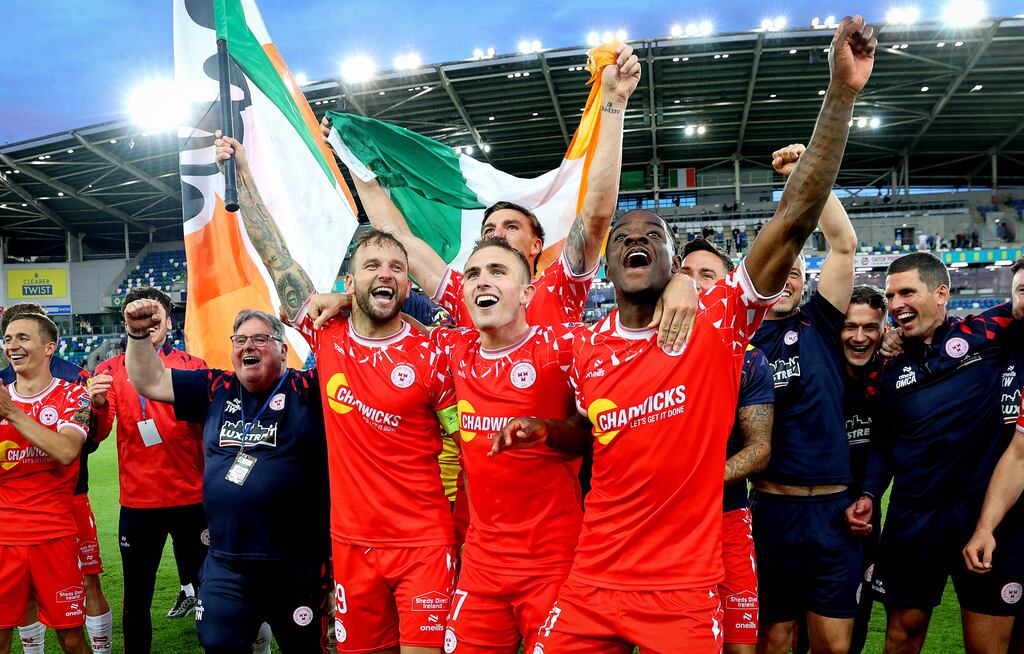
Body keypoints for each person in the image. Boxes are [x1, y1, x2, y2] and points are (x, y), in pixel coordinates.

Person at [494, 16, 877, 651]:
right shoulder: (582, 344)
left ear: (676, 265)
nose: (636, 240)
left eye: (655, 237)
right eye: (625, 238)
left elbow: (793, 219)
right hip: (591, 580)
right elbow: (586, 434)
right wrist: (549, 431)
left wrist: (840, 94)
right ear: (607, 261)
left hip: (682, 586)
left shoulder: (720, 325)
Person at [215, 130, 462, 654]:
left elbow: (465, 445)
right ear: (350, 281)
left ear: (408, 284)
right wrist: (240, 173)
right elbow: (275, 253)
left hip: (423, 541)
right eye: (372, 265)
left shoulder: (434, 352)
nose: (386, 273)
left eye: (396, 266)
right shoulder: (327, 336)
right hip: (351, 546)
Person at [124, 303, 331, 653]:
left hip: (296, 566)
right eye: (240, 339)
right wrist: (138, 336)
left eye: (260, 339)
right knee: (218, 644)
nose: (248, 346)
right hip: (227, 564)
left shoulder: (307, 389)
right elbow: (151, 380)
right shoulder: (216, 386)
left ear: (284, 349)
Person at [847, 252, 1024, 653]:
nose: (896, 305)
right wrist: (870, 494)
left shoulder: (988, 331)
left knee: (987, 645)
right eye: (891, 296)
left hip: (984, 518)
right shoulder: (883, 368)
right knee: (901, 636)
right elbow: (883, 443)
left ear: (941, 293)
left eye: (907, 292)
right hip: (913, 518)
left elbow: (1021, 303)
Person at [748, 140, 861, 654]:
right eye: (780, 270)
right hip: (774, 509)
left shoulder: (820, 320)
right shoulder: (739, 341)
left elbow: (843, 246)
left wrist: (808, 175)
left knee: (833, 644)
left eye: (797, 271)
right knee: (775, 635)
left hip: (834, 509)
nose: (789, 277)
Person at [89, 287, 208, 653]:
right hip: (140, 505)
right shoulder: (107, 371)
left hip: (192, 500)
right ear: (127, 324)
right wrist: (95, 405)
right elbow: (98, 435)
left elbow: (210, 429)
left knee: (210, 590)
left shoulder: (193, 367)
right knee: (137, 595)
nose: (146, 322)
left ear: (168, 322)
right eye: (136, 316)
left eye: (154, 315)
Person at [0, 304, 112, 654]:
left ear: (49, 346)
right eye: (6, 339)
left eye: (22, 337)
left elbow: (66, 451)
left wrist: (11, 413)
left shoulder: (73, 394)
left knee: (71, 637)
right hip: (4, 538)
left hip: (55, 535)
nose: (11, 345)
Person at [680, 237, 774, 654]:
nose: (696, 284)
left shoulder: (750, 360)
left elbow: (759, 449)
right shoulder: (636, 348)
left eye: (708, 275)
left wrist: (700, 480)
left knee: (739, 644)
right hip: (665, 529)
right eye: (686, 274)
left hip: (726, 520)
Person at [838, 285, 887, 654]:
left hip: (866, 516)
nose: (859, 337)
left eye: (870, 327)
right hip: (814, 512)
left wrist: (868, 494)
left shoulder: (891, 377)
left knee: (858, 618)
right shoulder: (817, 373)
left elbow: (884, 446)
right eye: (850, 326)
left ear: (883, 329)